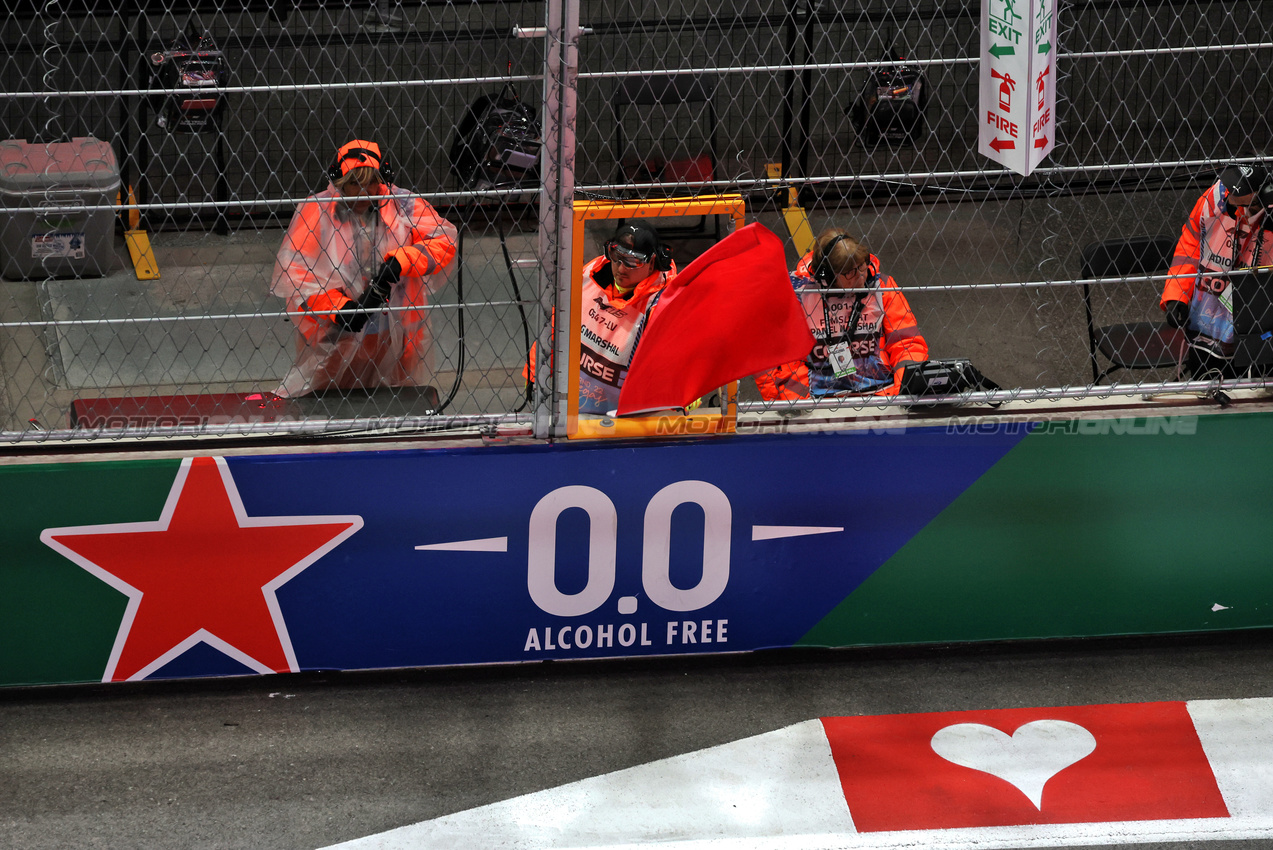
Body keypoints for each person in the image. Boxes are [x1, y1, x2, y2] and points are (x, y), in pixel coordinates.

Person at [270, 139, 458, 398]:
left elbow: (444, 240)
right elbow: (294, 271)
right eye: (354, 183)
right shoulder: (318, 210)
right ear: (340, 182)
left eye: (371, 182)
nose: (364, 192)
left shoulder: (402, 204)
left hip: (396, 335)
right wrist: (338, 307)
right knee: (331, 403)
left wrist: (403, 260)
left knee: (396, 403)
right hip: (336, 336)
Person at [755, 228, 928, 400]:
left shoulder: (882, 286)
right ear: (828, 276)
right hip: (814, 401)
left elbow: (907, 344)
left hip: (881, 393)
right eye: (850, 272)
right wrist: (794, 403)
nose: (861, 276)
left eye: (861, 265)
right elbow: (771, 358)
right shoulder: (797, 294)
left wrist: (904, 391)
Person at [526, 222, 677, 414]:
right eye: (617, 257)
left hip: (628, 420)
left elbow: (677, 370)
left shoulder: (664, 305)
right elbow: (554, 327)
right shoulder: (590, 273)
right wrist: (534, 374)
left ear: (653, 262)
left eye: (633, 261)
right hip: (568, 409)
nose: (621, 268)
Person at [1160, 162, 1273, 377]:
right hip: (1207, 325)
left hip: (1259, 328)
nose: (1228, 194)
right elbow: (1190, 243)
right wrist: (1177, 294)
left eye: (1239, 191)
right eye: (1231, 186)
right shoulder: (1213, 197)